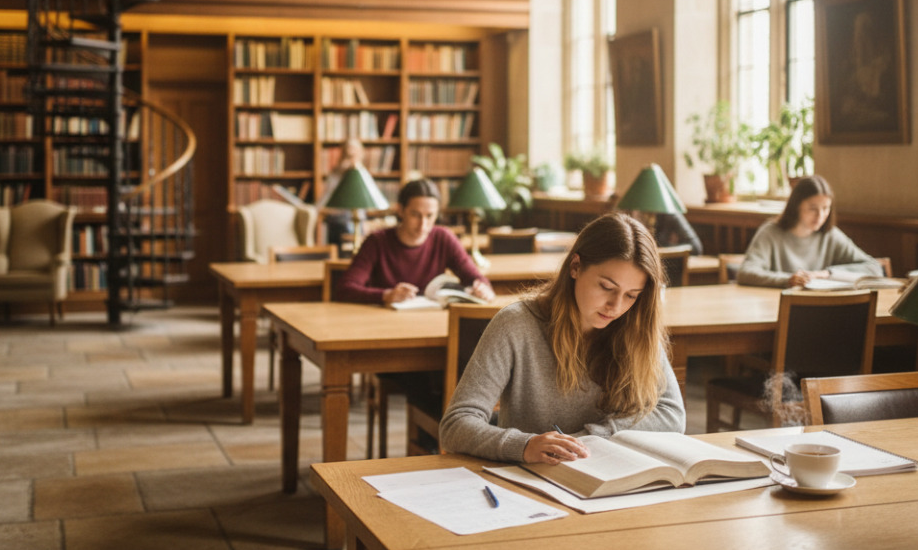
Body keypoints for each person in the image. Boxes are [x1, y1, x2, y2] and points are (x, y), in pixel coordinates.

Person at [439, 213, 686, 464]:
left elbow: (672, 415)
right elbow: (455, 425)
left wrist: (590, 438)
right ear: (575, 267)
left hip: (612, 473)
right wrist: (524, 445)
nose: (616, 306)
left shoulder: (636, 325)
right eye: (606, 287)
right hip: (533, 480)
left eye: (631, 295)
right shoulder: (516, 324)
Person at [336, 177, 494, 304]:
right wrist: (386, 295)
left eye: (430, 216)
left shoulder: (443, 238)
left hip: (430, 320)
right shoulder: (377, 241)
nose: (423, 224)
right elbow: (345, 289)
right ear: (400, 210)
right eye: (415, 215)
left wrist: (482, 288)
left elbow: (477, 279)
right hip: (384, 322)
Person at [736, 175, 882, 288]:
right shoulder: (770, 232)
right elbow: (746, 273)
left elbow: (874, 268)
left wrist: (826, 274)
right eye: (813, 208)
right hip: (777, 309)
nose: (820, 216)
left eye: (825, 208)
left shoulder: (830, 235)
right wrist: (788, 280)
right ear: (796, 206)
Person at [318, 138, 365, 248]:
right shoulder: (336, 174)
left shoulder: (362, 173)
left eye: (354, 150)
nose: (351, 152)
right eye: (348, 150)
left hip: (357, 219)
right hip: (337, 219)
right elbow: (325, 198)